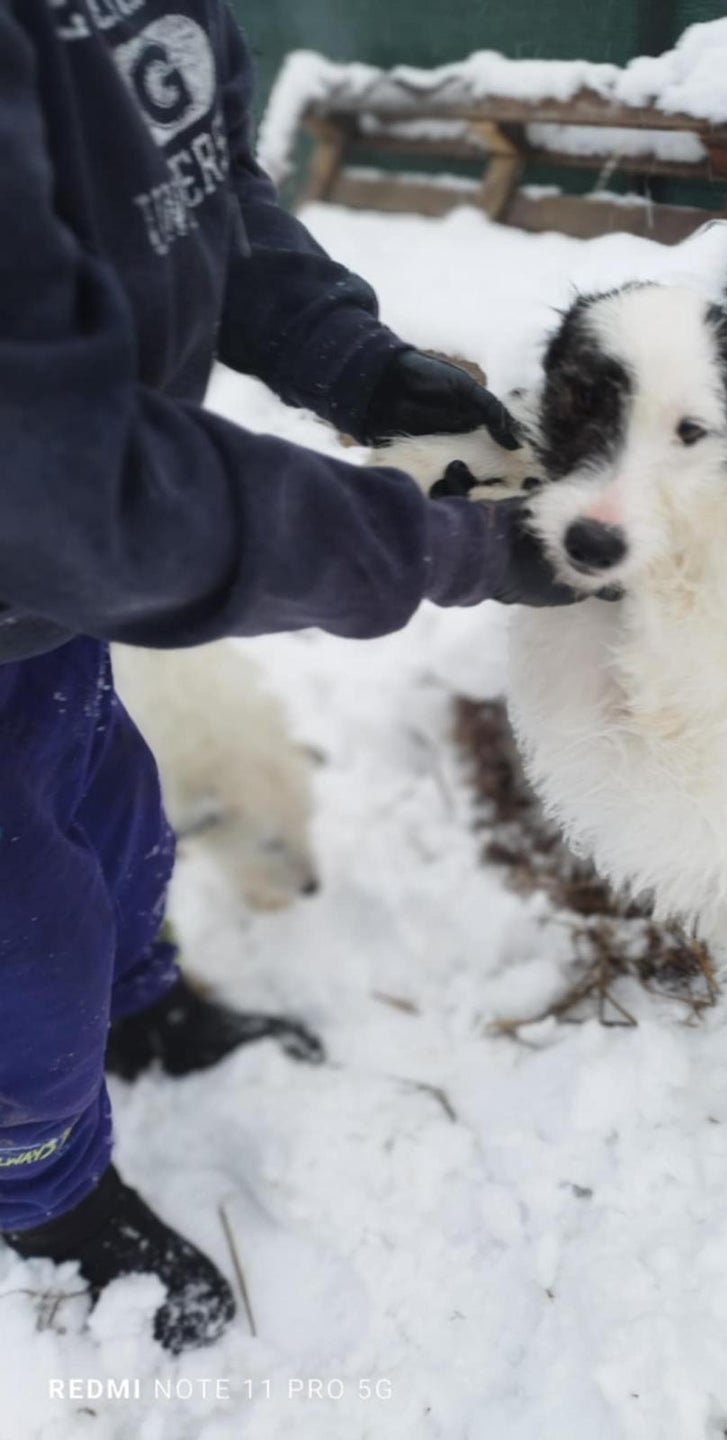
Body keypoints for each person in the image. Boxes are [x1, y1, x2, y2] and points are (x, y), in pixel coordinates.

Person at [0, 0, 573, 1354]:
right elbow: (65, 481)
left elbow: (192, 185)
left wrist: (349, 360)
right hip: (42, 528)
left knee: (110, 813)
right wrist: (443, 545)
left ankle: (134, 1010)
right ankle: (44, 1186)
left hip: (34, 593)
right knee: (18, 943)